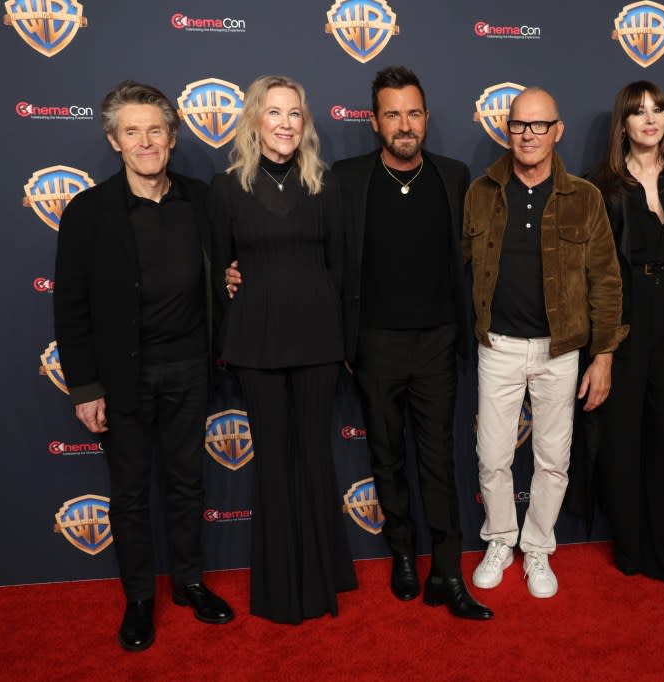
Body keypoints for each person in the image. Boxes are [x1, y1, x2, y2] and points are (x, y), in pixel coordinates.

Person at [227, 66, 491, 620]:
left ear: (425, 118)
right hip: (371, 344)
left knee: (440, 460)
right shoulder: (344, 180)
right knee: (386, 457)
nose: (404, 124)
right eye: (392, 114)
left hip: (438, 341)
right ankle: (400, 556)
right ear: (374, 122)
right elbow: (304, 246)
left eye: (413, 113)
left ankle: (447, 571)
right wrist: (241, 269)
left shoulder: (455, 175)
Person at [54, 81, 233, 652]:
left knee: (186, 484)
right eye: (133, 131)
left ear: (173, 136)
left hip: (190, 369)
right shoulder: (88, 212)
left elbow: (225, 274)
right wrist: (85, 386)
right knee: (129, 494)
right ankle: (137, 599)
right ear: (115, 141)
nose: (146, 141)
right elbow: (71, 305)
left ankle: (189, 582)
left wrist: (230, 283)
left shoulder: (202, 201)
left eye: (156, 129)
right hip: (123, 377)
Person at [464, 87, 627, 599]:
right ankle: (499, 539)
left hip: (562, 348)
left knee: (553, 459)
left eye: (539, 125)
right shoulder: (481, 191)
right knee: (492, 456)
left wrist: (603, 355)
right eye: (519, 125)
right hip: (498, 346)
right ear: (506, 130)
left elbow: (606, 279)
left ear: (558, 131)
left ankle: (538, 547)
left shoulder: (585, 197)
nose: (528, 135)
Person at [209, 75, 357, 623]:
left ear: (305, 122)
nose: (286, 123)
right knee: (272, 463)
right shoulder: (225, 189)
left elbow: (341, 268)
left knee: (315, 459)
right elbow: (215, 272)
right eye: (274, 113)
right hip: (255, 344)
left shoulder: (326, 184)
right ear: (254, 120)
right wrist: (226, 289)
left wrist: (345, 343)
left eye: (295, 113)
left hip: (319, 342)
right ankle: (277, 589)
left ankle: (325, 578)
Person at [589, 80, 664, 593]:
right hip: (627, 321)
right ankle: (631, 548)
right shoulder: (604, 188)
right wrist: (605, 344)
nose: (650, 119)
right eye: (638, 112)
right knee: (624, 441)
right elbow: (595, 270)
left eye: (658, 109)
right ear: (623, 124)